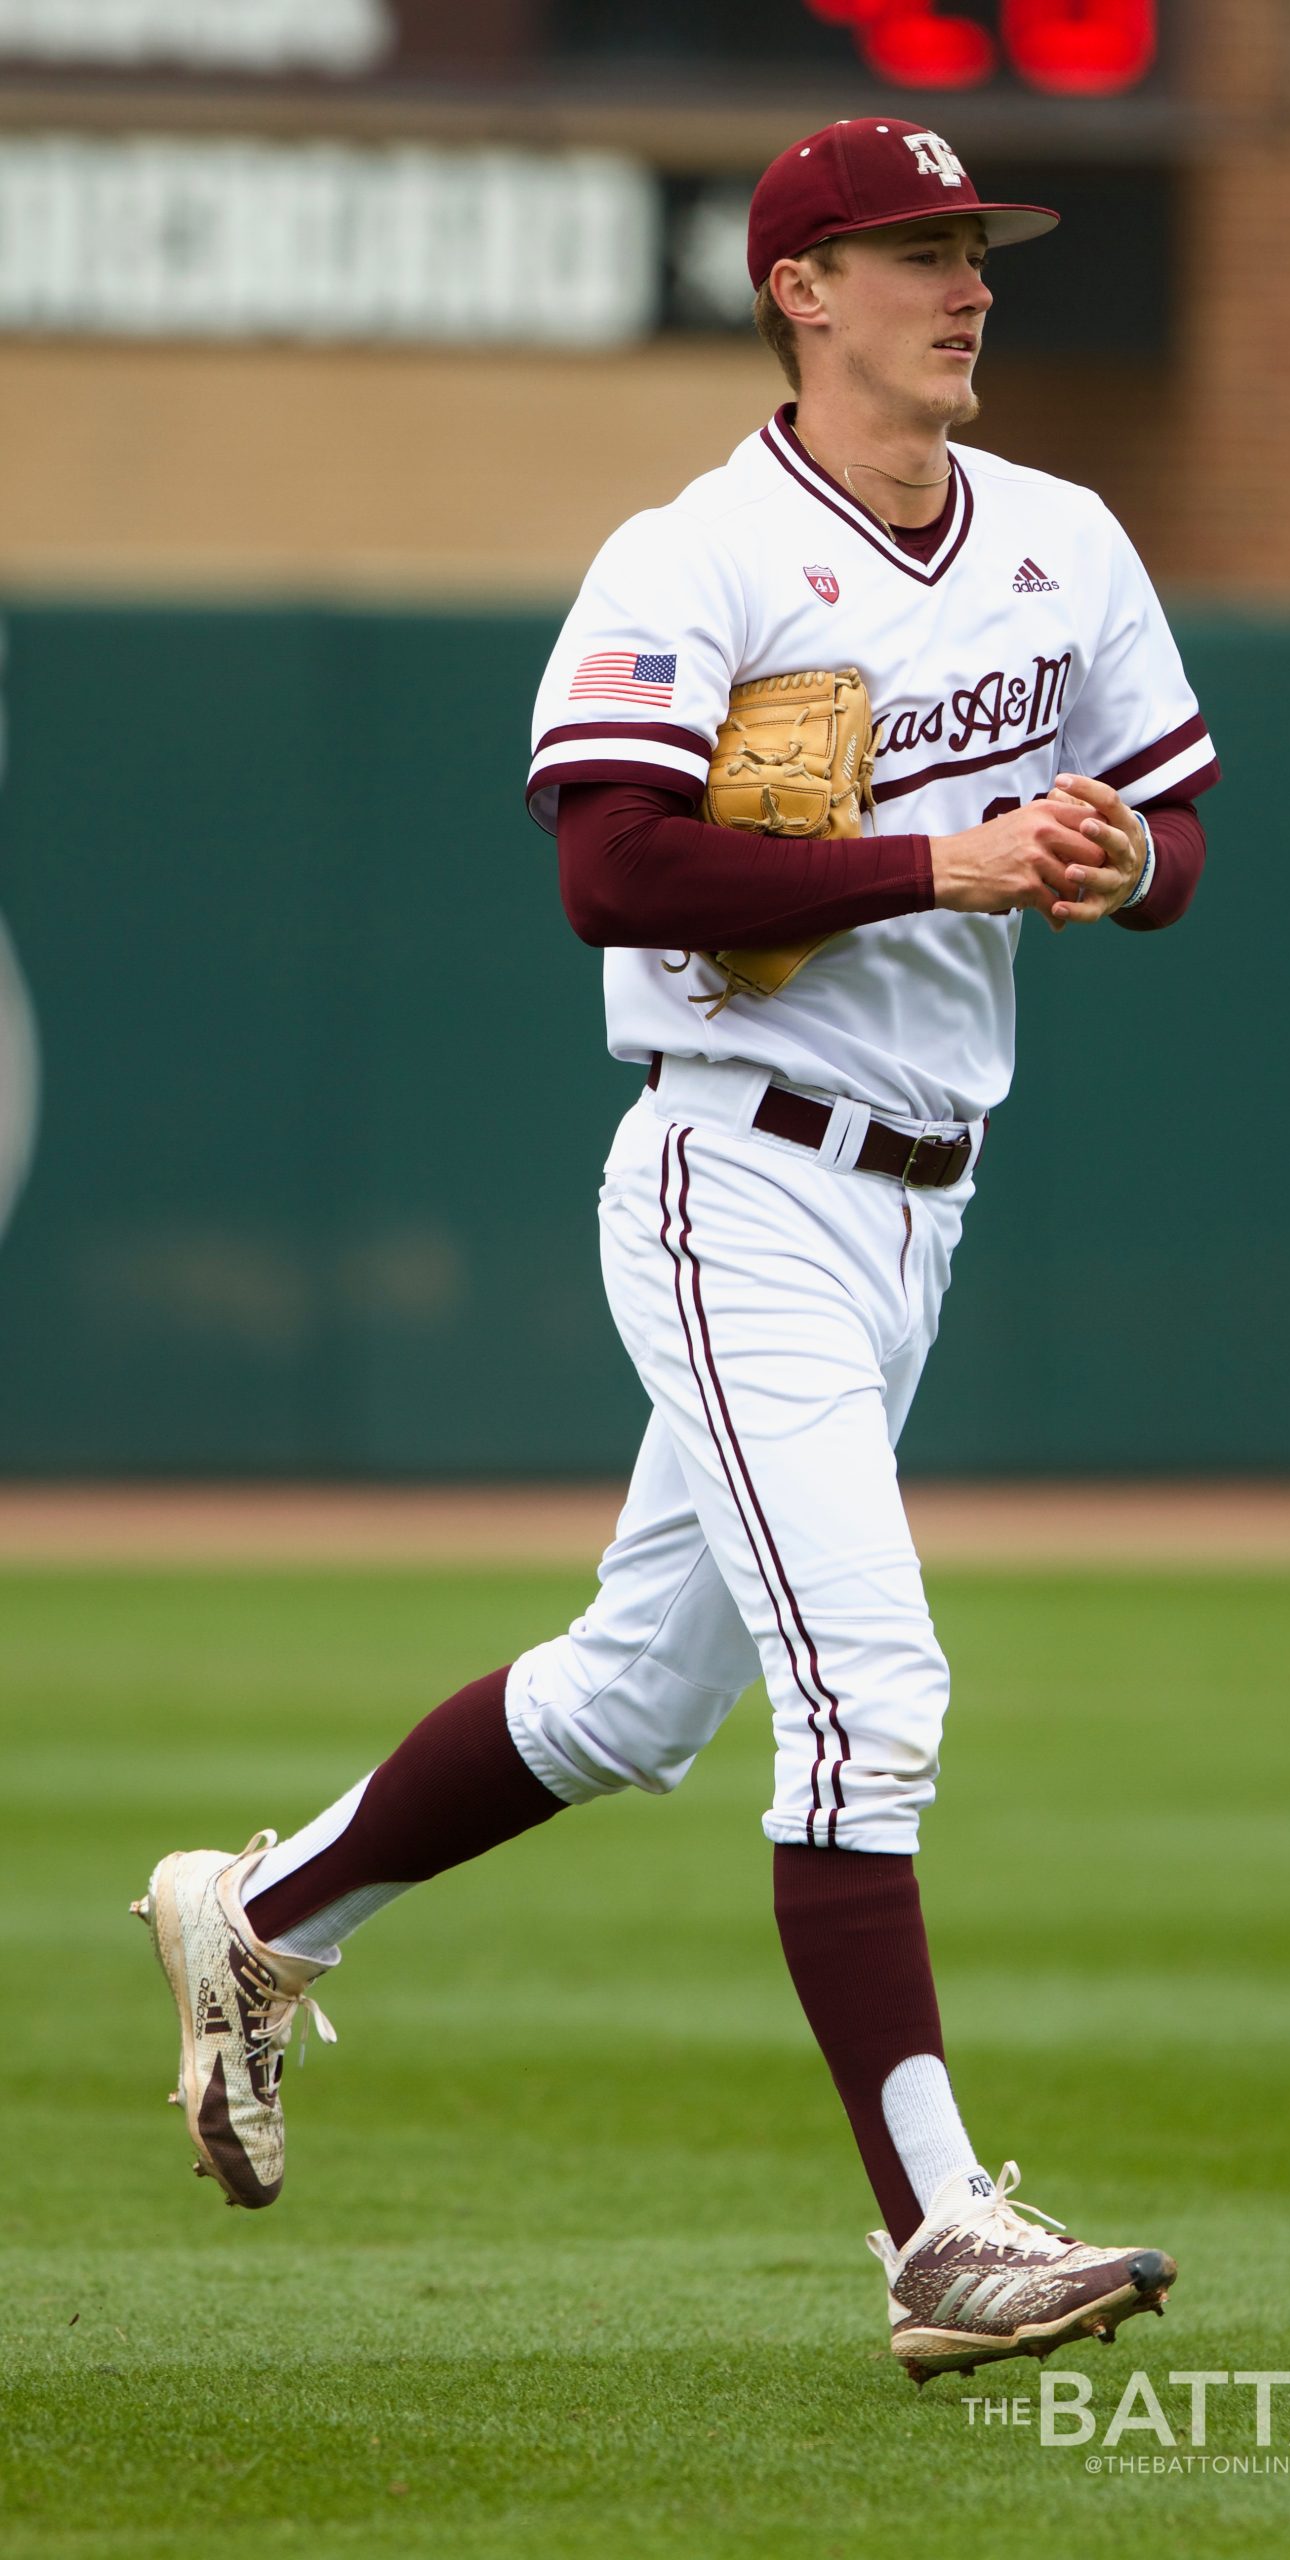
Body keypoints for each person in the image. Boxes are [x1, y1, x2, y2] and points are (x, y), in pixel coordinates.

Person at [134, 116, 1218, 2385]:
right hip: (737, 1179)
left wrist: (1116, 859)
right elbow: (612, 873)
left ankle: (263, 1915)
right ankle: (932, 2223)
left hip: (925, 1189)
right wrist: (941, 865)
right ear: (799, 290)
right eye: (916, 251)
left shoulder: (1060, 536)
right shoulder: (696, 551)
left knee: (635, 1693)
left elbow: (1174, 827)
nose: (967, 284)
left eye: (976, 249)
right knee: (870, 1690)